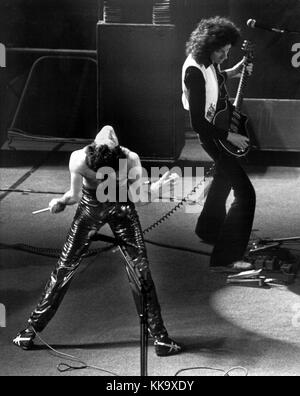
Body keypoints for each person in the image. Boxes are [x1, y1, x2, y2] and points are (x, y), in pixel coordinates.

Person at [13, 125, 182, 357]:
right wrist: (60, 202)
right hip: (115, 207)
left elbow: (79, 195)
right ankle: (30, 331)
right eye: (108, 138)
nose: (109, 130)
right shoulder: (126, 158)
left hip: (101, 208)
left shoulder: (83, 158)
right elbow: (138, 198)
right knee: (68, 269)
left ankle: (161, 339)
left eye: (109, 138)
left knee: (133, 271)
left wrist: (62, 201)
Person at [182, 16, 256, 271]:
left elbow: (215, 78)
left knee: (223, 178)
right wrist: (230, 136)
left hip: (218, 130)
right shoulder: (193, 71)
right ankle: (226, 258)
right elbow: (198, 124)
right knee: (246, 193)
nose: (225, 56)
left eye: (228, 51)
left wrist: (234, 71)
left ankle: (208, 228)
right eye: (221, 51)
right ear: (207, 46)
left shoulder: (207, 61)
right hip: (212, 135)